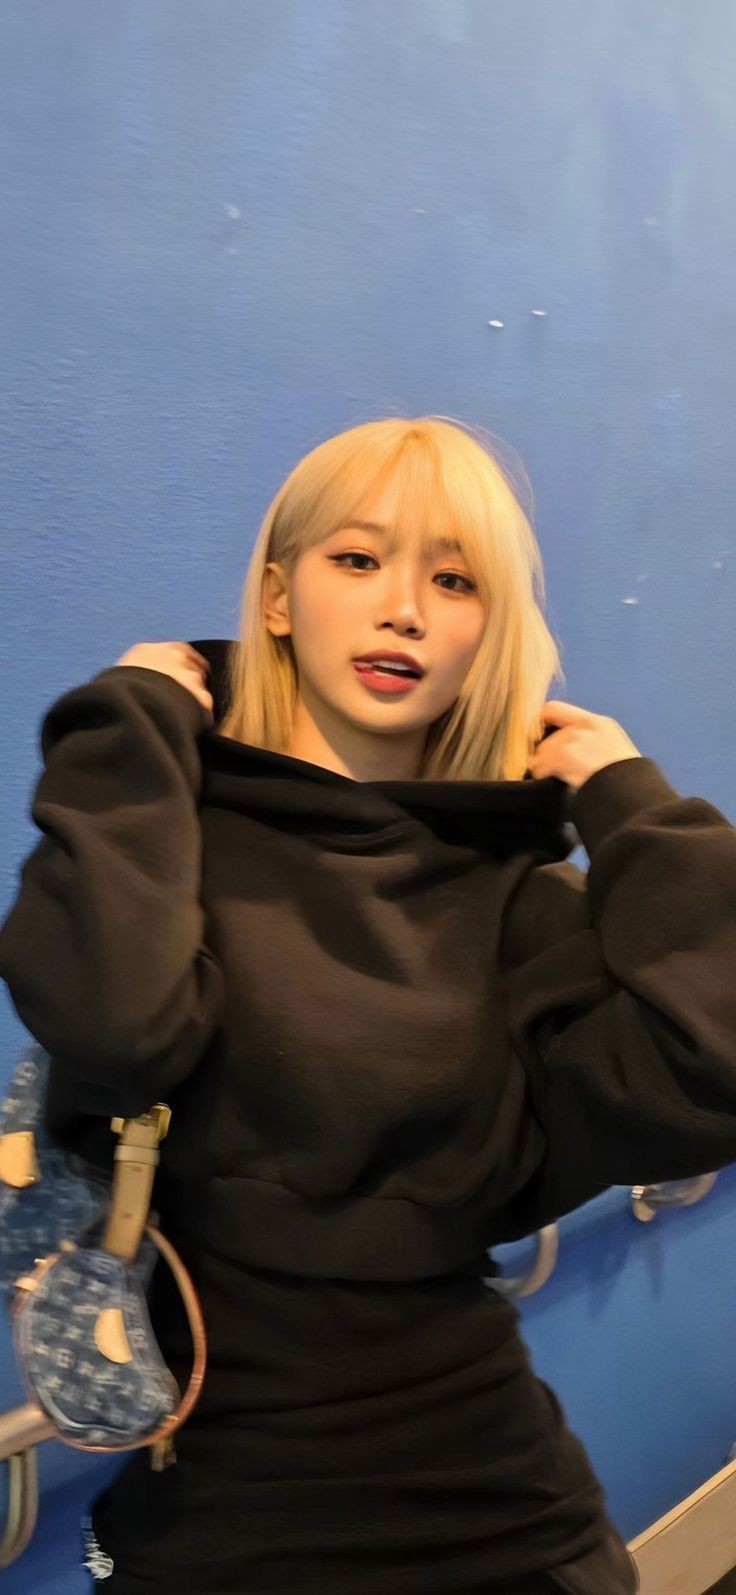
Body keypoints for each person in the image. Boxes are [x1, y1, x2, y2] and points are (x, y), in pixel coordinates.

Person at [4, 413, 736, 1593]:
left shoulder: (516, 895)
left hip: (498, 1515)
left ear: (484, 630)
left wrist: (634, 806)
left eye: (453, 580)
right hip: (214, 1523)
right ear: (278, 594)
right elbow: (118, 1024)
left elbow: (714, 1070)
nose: (404, 608)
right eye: (358, 558)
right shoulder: (165, 843)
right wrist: (128, 723)